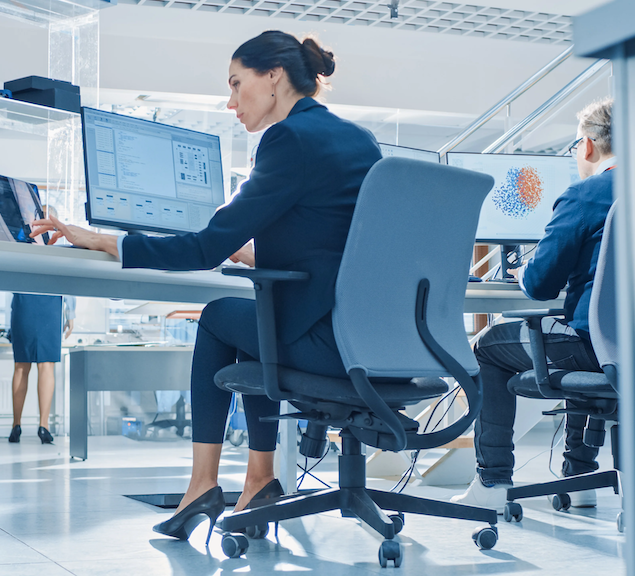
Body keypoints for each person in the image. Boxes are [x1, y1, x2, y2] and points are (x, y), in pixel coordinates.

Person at [30, 31, 382, 543]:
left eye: (237, 84)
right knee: (256, 316)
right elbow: (339, 250)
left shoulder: (287, 139)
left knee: (220, 315)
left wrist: (103, 239)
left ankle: (203, 486)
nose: (231, 101)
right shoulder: (359, 139)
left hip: (328, 344)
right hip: (368, 341)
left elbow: (202, 250)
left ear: (274, 76)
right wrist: (253, 254)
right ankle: (258, 482)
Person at [451, 98, 616, 512]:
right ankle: (578, 477)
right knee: (579, 331)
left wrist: (523, 272)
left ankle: (492, 481)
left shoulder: (586, 195)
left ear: (588, 145)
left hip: (592, 348)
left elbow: (541, 285)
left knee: (488, 345)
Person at [7, 291, 62, 444]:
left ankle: (16, 426)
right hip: (50, 302)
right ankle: (44, 426)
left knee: (21, 366)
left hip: (24, 302)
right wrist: (70, 313)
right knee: (46, 366)